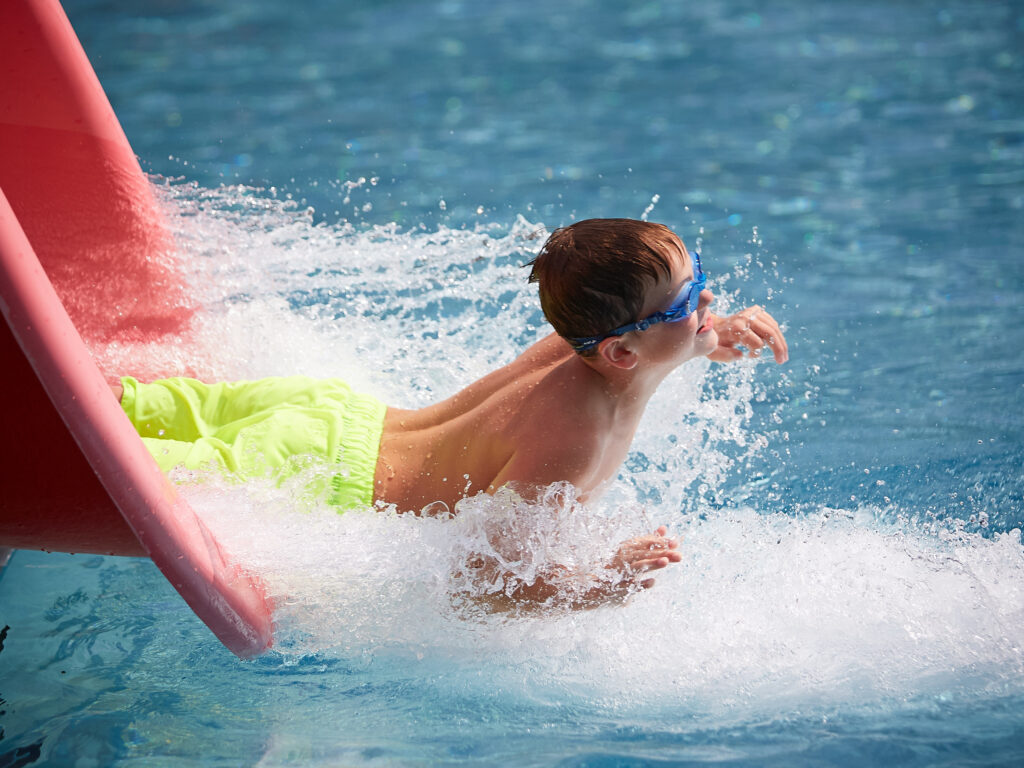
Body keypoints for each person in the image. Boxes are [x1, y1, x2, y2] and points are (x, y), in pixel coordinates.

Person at [116, 219, 788, 606]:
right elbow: (483, 582)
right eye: (688, 300)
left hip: (329, 414)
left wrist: (708, 334)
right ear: (620, 351)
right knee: (105, 469)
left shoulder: (578, 343)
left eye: (699, 277)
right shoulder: (580, 436)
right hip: (316, 473)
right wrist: (601, 582)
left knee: (109, 405)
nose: (708, 299)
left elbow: (653, 343)